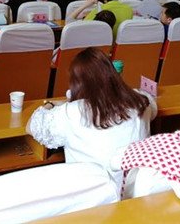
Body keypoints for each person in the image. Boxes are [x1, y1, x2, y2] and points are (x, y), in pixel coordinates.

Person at [26, 47, 156, 186]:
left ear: (77, 84)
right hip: (139, 189)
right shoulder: (140, 102)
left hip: (92, 192)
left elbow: (31, 127)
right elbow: (152, 108)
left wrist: (50, 104)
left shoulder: (70, 112)